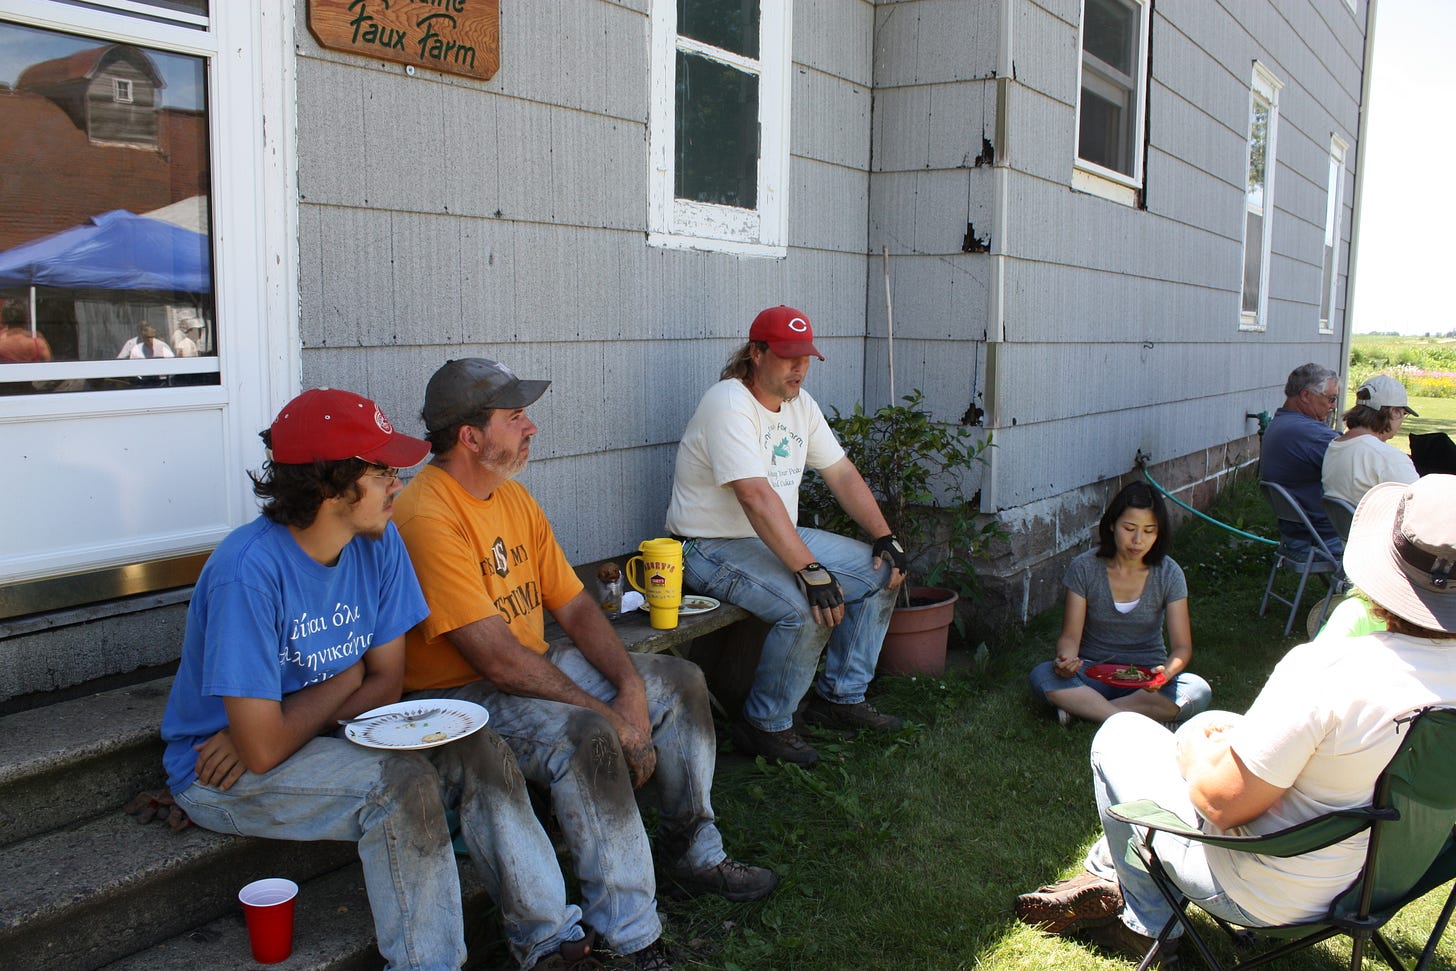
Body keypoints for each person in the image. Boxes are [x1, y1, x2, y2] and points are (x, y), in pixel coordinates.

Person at [160, 387, 600, 971]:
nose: (399, 481)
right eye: (382, 469)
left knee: (481, 750)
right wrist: (347, 679)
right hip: (222, 769)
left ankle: (548, 941)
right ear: (328, 484)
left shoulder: (378, 539)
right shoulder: (248, 573)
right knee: (401, 787)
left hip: (301, 736)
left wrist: (327, 697)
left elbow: (387, 681)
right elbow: (262, 748)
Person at [394, 358, 778, 971]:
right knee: (588, 737)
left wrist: (628, 686)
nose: (532, 428)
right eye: (515, 417)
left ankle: (692, 853)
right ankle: (631, 936)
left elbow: (574, 606)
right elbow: (495, 661)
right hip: (462, 695)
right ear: (469, 436)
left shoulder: (511, 497)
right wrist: (613, 716)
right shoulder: (425, 514)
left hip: (530, 666)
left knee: (678, 681)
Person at [1014, 475, 1456, 967]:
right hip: (1382, 882)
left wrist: (1195, 755)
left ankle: (1144, 923)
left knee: (1123, 735)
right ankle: (1104, 872)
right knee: (1219, 719)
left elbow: (1220, 805)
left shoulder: (1330, 670)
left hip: (1269, 891)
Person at [664, 306, 907, 768]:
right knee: (808, 607)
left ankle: (842, 694)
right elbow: (755, 496)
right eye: (788, 356)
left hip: (775, 535)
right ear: (756, 353)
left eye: (806, 357)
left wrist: (884, 536)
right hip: (707, 546)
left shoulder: (801, 406)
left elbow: (841, 474)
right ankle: (764, 725)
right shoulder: (728, 402)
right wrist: (809, 569)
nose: (799, 367)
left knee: (882, 570)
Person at [1029, 481, 1210, 727]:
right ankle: (1129, 719)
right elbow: (1070, 636)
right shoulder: (1085, 567)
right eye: (1129, 528)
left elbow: (1182, 647)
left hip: (1146, 679)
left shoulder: (1169, 573)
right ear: (1112, 524)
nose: (1138, 540)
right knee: (1043, 675)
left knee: (1198, 689)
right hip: (1093, 672)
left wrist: (1165, 673)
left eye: (1149, 531)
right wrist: (1066, 661)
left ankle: (1087, 711)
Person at [1260, 362, 1342, 555]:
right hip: (1321, 540)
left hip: (1296, 536)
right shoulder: (1308, 433)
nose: (1334, 405)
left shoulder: (1282, 423)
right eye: (1331, 398)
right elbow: (1355, 455)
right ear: (1306, 395)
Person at [1321, 374, 1419, 506]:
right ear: (1394, 412)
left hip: (1346, 526)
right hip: (1376, 526)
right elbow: (1419, 508)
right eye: (1404, 414)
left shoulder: (1335, 446)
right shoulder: (1388, 457)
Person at [0, 299, 52, 364]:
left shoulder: (2, 342)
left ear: (3, 319)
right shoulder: (38, 342)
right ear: (25, 318)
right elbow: (50, 365)